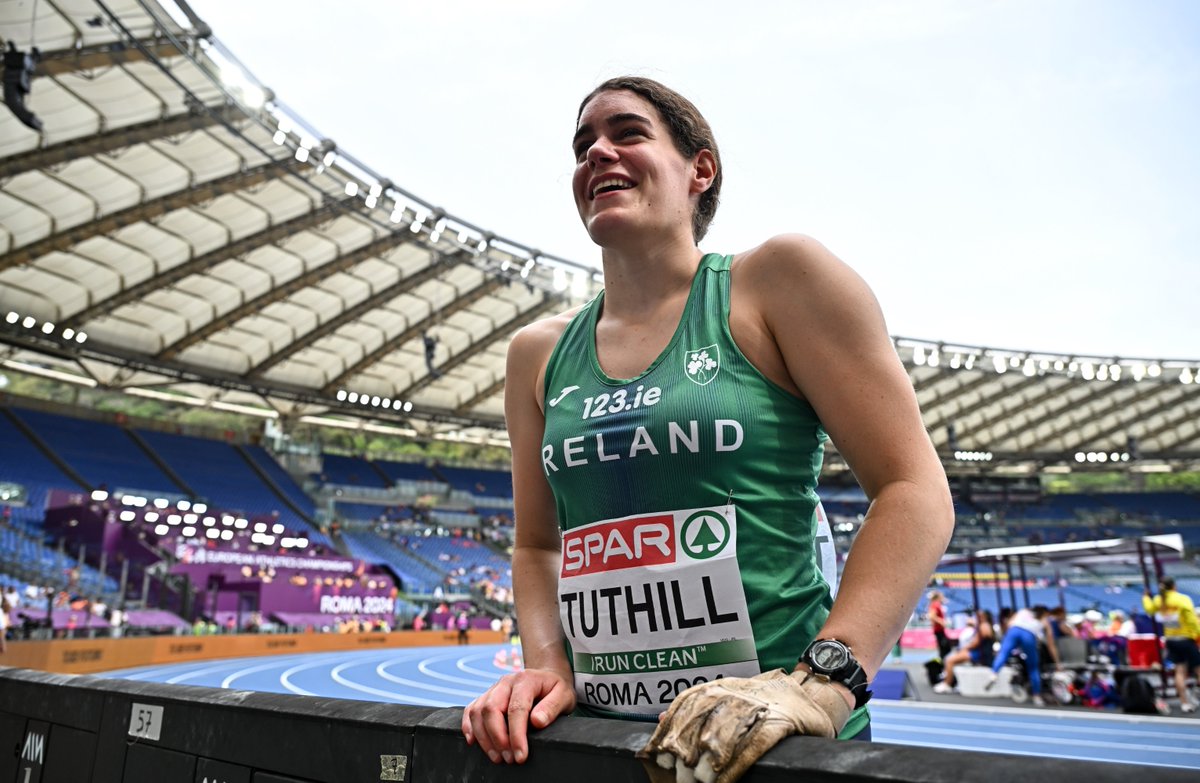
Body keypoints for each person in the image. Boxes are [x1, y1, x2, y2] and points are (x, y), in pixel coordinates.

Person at [460, 76, 953, 781]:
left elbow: (913, 489)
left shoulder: (777, 281)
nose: (597, 152)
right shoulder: (537, 353)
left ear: (701, 169)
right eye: (582, 145)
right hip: (606, 744)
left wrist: (822, 683)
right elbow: (538, 545)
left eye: (628, 133)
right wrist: (546, 665)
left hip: (772, 745)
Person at [1143, 576, 1200, 713]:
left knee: (1179, 671)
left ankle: (1184, 703)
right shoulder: (1182, 599)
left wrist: (1145, 597)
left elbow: (1149, 609)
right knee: (1198, 669)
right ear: (1174, 586)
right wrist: (1198, 633)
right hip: (1186, 639)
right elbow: (1191, 619)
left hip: (1171, 640)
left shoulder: (1159, 600)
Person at [987, 605, 1059, 706]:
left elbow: (1009, 624)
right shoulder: (1044, 621)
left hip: (1014, 630)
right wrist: (1057, 662)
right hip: (1029, 635)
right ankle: (1036, 695)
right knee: (1033, 667)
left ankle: (994, 673)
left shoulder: (1023, 611)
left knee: (1003, 653)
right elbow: (1051, 643)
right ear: (1045, 613)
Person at [934, 609, 995, 693]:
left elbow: (975, 644)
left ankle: (947, 684)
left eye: (980, 616)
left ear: (984, 617)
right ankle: (952, 681)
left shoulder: (983, 626)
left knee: (949, 661)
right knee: (952, 658)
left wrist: (963, 649)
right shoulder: (987, 626)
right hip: (980, 652)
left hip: (979, 654)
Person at [928, 590, 952, 660]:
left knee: (944, 648)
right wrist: (941, 622)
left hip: (940, 629)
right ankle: (940, 662)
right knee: (945, 648)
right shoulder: (935, 604)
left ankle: (941, 661)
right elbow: (932, 616)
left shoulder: (937, 604)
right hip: (938, 630)